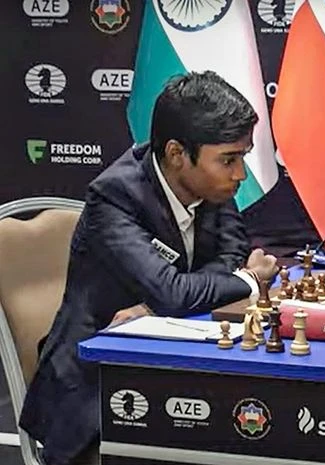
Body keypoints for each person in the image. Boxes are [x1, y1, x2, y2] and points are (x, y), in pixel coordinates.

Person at [19, 71, 280, 465]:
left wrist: (160, 306)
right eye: (228, 159)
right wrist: (247, 280)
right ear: (177, 153)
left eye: (242, 157)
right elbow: (192, 286)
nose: (240, 174)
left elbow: (227, 255)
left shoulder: (211, 183)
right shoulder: (114, 197)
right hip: (96, 394)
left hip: (172, 369)